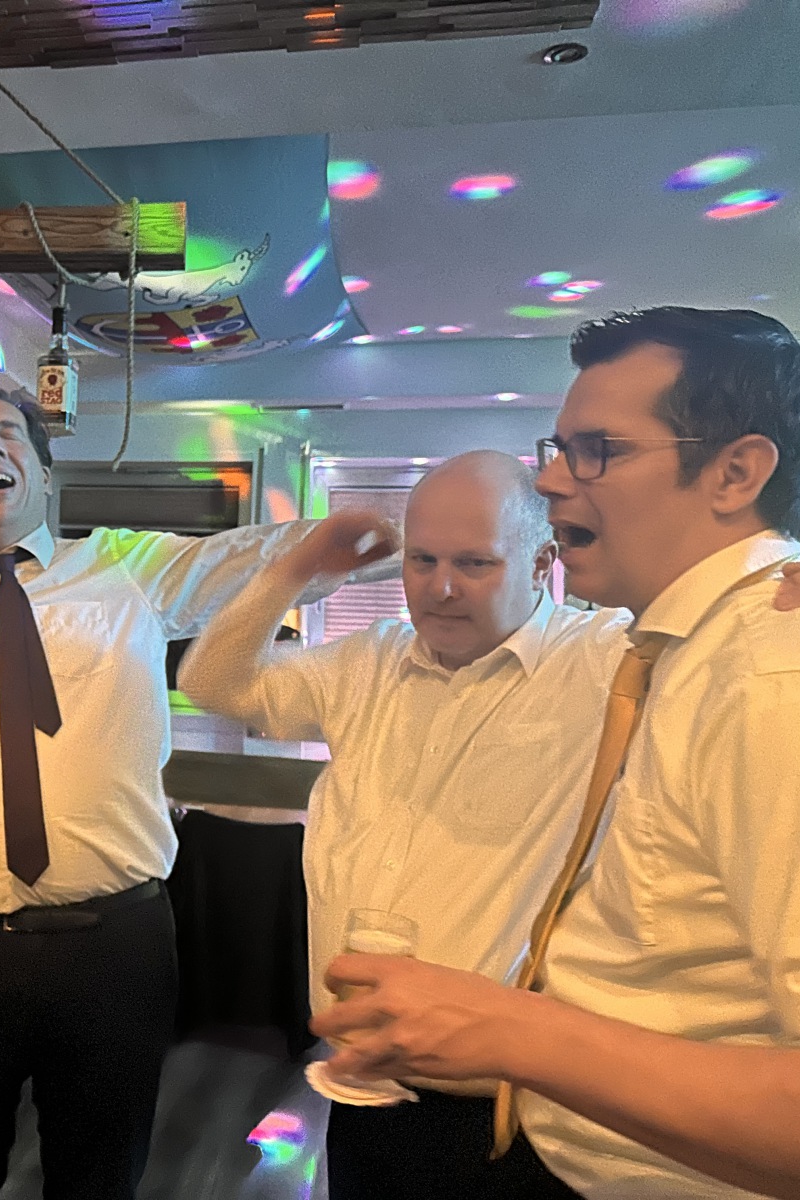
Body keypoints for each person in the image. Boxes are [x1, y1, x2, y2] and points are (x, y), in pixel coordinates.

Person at [313, 307, 800, 1198]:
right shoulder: (681, 653)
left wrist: (509, 1028)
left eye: (596, 451)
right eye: (559, 449)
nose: (549, 480)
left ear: (735, 472)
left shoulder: (777, 679)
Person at [0, 389, 384, 1200]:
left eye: (11, 434)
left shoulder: (125, 567)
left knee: (101, 1176)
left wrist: (374, 541)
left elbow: (250, 560)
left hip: (114, 946)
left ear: (44, 474)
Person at [180, 451, 627, 1198]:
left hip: (508, 1103)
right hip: (361, 1078)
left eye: (474, 563)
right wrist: (296, 570)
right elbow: (213, 682)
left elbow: (728, 644)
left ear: (541, 560)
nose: (441, 587)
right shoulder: (370, 661)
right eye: (423, 560)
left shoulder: (601, 659)